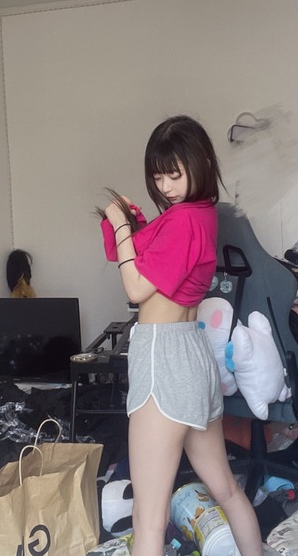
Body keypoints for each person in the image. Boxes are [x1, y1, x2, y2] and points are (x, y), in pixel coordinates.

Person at [99, 115, 263, 556]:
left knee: (147, 520)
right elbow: (140, 255)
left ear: (201, 162)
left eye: (174, 174)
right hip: (192, 354)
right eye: (158, 177)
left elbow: (136, 287)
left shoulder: (182, 221)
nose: (166, 186)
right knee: (226, 489)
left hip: (163, 359)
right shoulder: (200, 214)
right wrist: (132, 224)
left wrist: (119, 224)